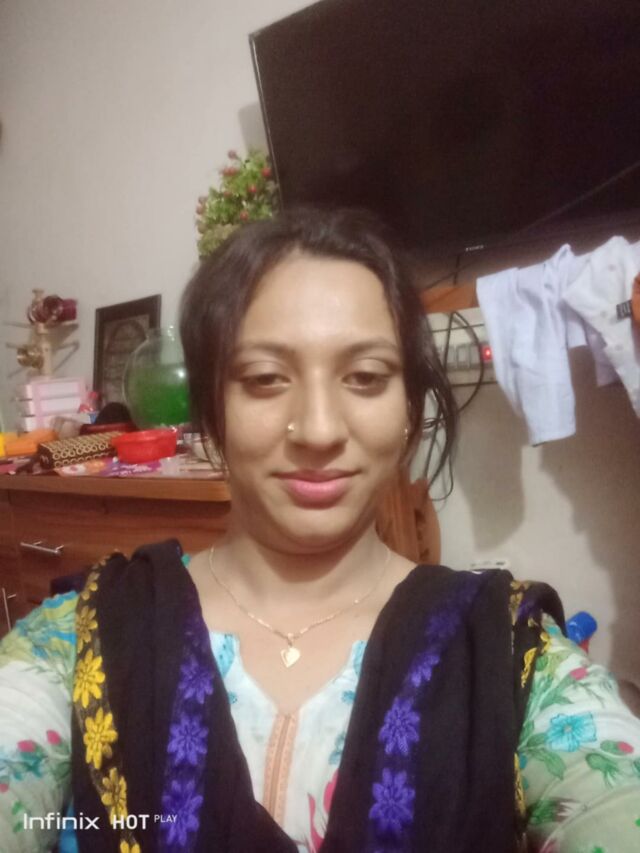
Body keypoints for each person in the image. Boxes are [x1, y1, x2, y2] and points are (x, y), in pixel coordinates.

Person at [1, 208, 639, 853]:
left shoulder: (506, 652)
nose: (319, 429)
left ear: (410, 409)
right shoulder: (83, 635)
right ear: (212, 412)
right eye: (264, 379)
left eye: (366, 378)